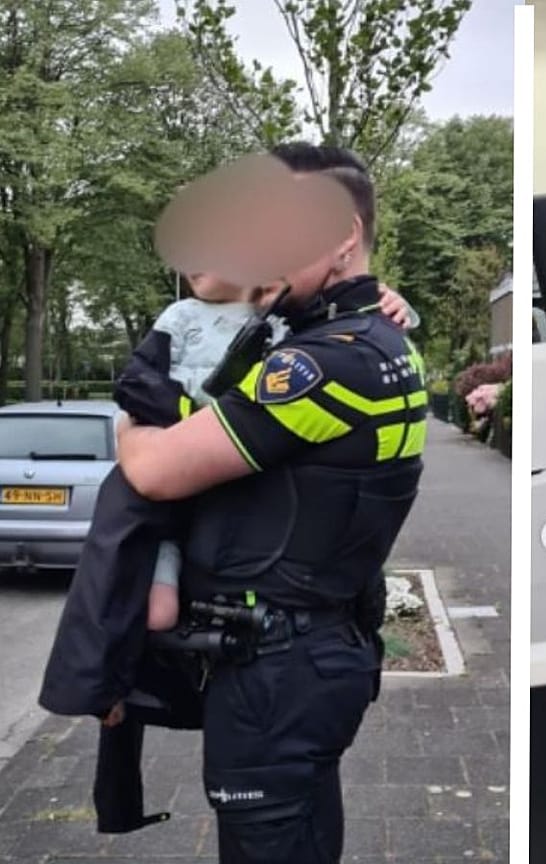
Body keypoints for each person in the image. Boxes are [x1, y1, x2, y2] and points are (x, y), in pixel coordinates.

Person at [105, 143, 425, 863]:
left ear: (343, 234)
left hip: (280, 673)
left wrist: (129, 415)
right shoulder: (373, 340)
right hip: (309, 657)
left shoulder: (324, 365)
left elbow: (155, 471)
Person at [144, 272, 418, 632]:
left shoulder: (289, 318)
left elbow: (360, 319)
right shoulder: (179, 318)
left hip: (240, 492)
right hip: (199, 473)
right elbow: (141, 384)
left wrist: (391, 304)